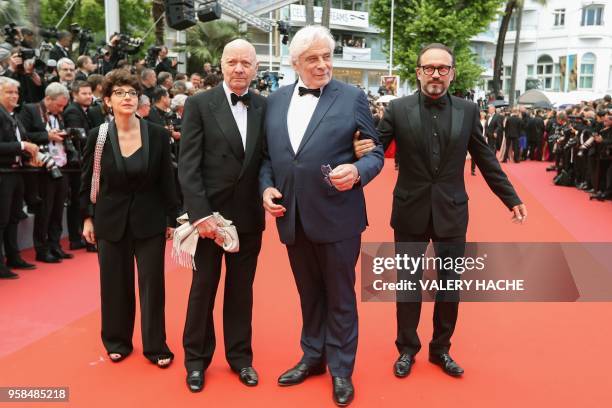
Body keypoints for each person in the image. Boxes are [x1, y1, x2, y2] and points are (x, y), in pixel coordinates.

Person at [358, 42, 527, 379]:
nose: (436, 74)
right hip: (409, 211)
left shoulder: (467, 111)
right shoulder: (398, 109)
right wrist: (359, 152)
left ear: (452, 73)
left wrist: (511, 197)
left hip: (452, 212)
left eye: (443, 68)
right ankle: (406, 349)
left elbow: (485, 158)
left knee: (450, 287)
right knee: (408, 284)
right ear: (418, 71)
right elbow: (375, 148)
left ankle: (441, 349)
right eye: (429, 68)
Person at [259, 26, 384, 406]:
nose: (322, 64)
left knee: (340, 296)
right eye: (312, 58)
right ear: (295, 62)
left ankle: (342, 370)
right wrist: (265, 187)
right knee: (309, 294)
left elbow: (375, 152)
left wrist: (359, 172)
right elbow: (269, 158)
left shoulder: (352, 97)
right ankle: (313, 357)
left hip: (338, 216)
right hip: (292, 216)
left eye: (327, 56)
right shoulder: (275, 101)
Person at [179, 39, 267, 393]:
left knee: (240, 291)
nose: (239, 69)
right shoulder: (200, 103)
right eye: (232, 62)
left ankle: (240, 358)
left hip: (248, 217)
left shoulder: (264, 105)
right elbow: (188, 165)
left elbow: (272, 157)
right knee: (203, 289)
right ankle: (196, 360)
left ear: (256, 68)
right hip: (209, 219)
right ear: (222, 64)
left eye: (246, 63)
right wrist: (200, 216)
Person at [80, 69, 178, 367]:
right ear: (107, 100)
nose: (127, 98)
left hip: (150, 222)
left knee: (152, 285)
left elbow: (167, 180)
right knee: (114, 284)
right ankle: (117, 341)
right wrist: (87, 217)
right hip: (110, 221)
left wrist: (172, 219)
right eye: (120, 93)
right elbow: (88, 180)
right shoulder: (99, 136)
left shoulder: (157, 135)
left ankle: (155, 346)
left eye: (132, 93)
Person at [19, 82, 72, 263]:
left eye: (63, 106)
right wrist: (47, 136)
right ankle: (41, 249)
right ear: (48, 99)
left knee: (58, 209)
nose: (60, 109)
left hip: (62, 165)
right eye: (58, 105)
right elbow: (24, 136)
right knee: (45, 210)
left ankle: (55, 245)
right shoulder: (30, 110)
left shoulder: (59, 114)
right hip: (43, 167)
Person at [0, 77, 39, 279]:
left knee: (14, 216)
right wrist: (23, 147)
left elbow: (21, 142)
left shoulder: (12, 115)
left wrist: (30, 153)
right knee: (2, 219)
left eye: (16, 92)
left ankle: (14, 256)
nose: (14, 96)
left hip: (16, 172)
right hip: (3, 174)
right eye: (9, 92)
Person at [63, 81, 96, 252]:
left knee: (78, 199)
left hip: (83, 161)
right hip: (77, 163)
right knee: (76, 200)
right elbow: (80, 138)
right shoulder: (72, 111)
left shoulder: (85, 111)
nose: (89, 96)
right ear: (74, 95)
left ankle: (78, 238)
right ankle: (76, 238)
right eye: (84, 93)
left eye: (90, 93)